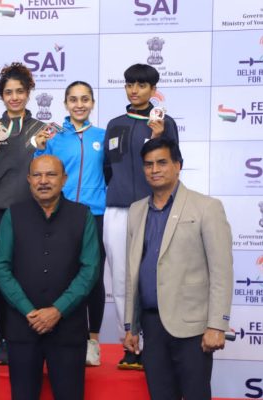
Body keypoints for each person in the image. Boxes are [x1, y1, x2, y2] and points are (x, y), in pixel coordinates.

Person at [123, 138, 233, 400]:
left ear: (178, 165)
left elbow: (221, 271)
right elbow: (132, 273)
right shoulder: (136, 210)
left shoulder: (207, 207)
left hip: (193, 329)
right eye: (148, 164)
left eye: (162, 162)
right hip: (151, 326)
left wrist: (217, 325)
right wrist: (131, 325)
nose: (154, 169)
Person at [0, 155, 99, 400]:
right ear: (29, 179)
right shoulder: (13, 215)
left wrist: (58, 310)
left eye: (51, 175)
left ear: (64, 179)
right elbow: (1, 268)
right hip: (22, 328)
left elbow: (90, 270)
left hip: (68, 330)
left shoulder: (82, 215)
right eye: (37, 175)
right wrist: (29, 311)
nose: (43, 181)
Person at [103, 63, 179, 369]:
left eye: (141, 85)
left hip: (154, 208)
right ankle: (130, 344)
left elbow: (172, 165)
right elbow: (108, 168)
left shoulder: (165, 123)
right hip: (118, 209)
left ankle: (155, 344)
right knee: (121, 278)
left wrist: (157, 137)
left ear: (153, 89)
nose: (134, 90)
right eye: (129, 84)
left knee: (152, 276)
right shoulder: (114, 124)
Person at [0, 62, 46, 364]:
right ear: (2, 96)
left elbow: (51, 172)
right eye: (8, 92)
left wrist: (44, 148)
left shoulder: (43, 130)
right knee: (1, 279)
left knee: (30, 277)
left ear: (29, 93)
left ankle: (31, 335)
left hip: (32, 213)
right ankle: (4, 338)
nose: (14, 97)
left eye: (19, 91)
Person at [34, 81, 106, 366]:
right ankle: (58, 336)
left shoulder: (102, 135)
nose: (79, 104)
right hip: (62, 213)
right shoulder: (54, 136)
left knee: (94, 278)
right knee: (60, 275)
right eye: (73, 99)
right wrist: (40, 148)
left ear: (92, 103)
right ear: (65, 103)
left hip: (95, 214)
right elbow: (41, 171)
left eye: (85, 99)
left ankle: (92, 342)